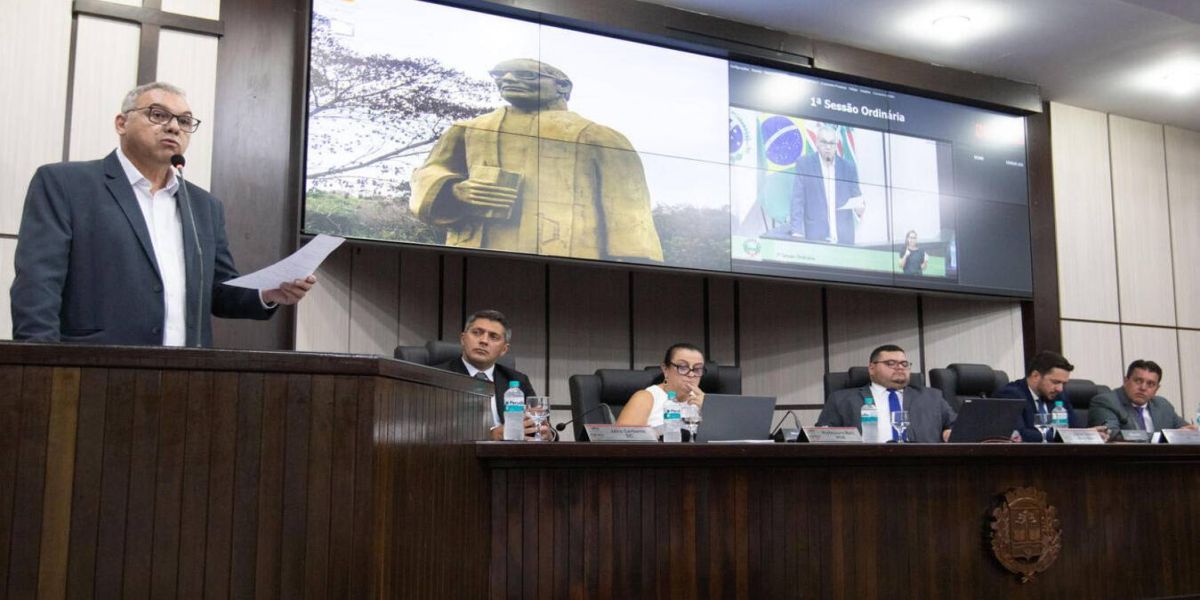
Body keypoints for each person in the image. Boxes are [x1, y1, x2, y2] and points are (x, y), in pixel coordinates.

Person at [10, 82, 314, 346]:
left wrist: (268, 293)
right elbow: (38, 283)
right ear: (121, 123)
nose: (173, 127)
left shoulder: (204, 206)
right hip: (93, 369)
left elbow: (217, 291)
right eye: (158, 115)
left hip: (185, 376)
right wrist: (40, 362)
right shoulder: (65, 184)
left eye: (184, 121)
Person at [411, 58, 663, 263]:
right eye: (500, 75)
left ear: (563, 86)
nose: (508, 79)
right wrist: (454, 190)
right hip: (478, 251)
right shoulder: (469, 129)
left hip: (572, 257)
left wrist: (632, 263)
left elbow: (628, 210)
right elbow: (430, 171)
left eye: (527, 75)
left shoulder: (598, 136)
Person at [435, 309, 552, 441]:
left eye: (493, 337)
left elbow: (542, 425)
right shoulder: (438, 377)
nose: (484, 341)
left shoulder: (516, 380)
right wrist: (490, 435)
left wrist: (546, 434)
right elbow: (430, 430)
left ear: (504, 349)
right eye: (477, 333)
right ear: (463, 339)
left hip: (510, 451)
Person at [816, 344, 955, 442]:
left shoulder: (931, 397)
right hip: (863, 467)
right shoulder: (842, 399)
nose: (900, 367)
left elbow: (956, 425)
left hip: (924, 466)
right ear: (872, 368)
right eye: (891, 363)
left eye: (904, 364)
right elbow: (821, 436)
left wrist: (950, 433)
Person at [995, 350, 1108, 442]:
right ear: (1035, 376)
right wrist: (1064, 436)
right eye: (1055, 382)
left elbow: (1074, 429)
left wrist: (1089, 434)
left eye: (1063, 383)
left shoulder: (1059, 395)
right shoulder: (1011, 395)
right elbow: (1020, 435)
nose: (1060, 388)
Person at [787, 125, 864, 244]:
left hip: (844, 238)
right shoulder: (805, 164)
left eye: (832, 143)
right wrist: (797, 232)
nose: (828, 147)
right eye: (824, 142)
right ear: (817, 143)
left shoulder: (848, 167)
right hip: (815, 237)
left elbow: (857, 197)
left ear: (836, 145)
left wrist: (860, 208)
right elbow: (797, 200)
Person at [1088, 360, 1197, 435]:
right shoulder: (1106, 402)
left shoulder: (1163, 406)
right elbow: (1111, 434)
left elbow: (1185, 431)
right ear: (1126, 381)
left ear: (1156, 389)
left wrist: (1191, 432)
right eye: (1138, 381)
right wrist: (1164, 437)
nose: (1143, 388)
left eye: (1150, 384)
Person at [616, 342, 706, 430]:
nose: (691, 374)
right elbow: (624, 437)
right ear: (665, 369)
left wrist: (707, 408)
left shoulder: (703, 401)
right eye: (683, 367)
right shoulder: (646, 398)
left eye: (697, 369)